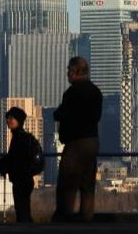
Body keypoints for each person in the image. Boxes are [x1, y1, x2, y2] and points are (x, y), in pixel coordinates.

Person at [51, 56, 102, 223]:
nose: (67, 73)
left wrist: (59, 115)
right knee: (87, 186)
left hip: (75, 143)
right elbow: (97, 117)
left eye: (69, 70)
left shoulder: (72, 93)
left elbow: (61, 113)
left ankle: (64, 218)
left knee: (67, 184)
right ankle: (87, 218)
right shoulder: (96, 92)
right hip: (92, 141)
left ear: (76, 72)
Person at [0, 107, 35, 223]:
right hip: (26, 178)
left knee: (21, 209)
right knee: (24, 209)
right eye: (7, 118)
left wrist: (3, 165)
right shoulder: (23, 137)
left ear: (18, 121)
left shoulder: (19, 138)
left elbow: (15, 158)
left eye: (11, 118)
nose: (8, 121)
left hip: (21, 178)